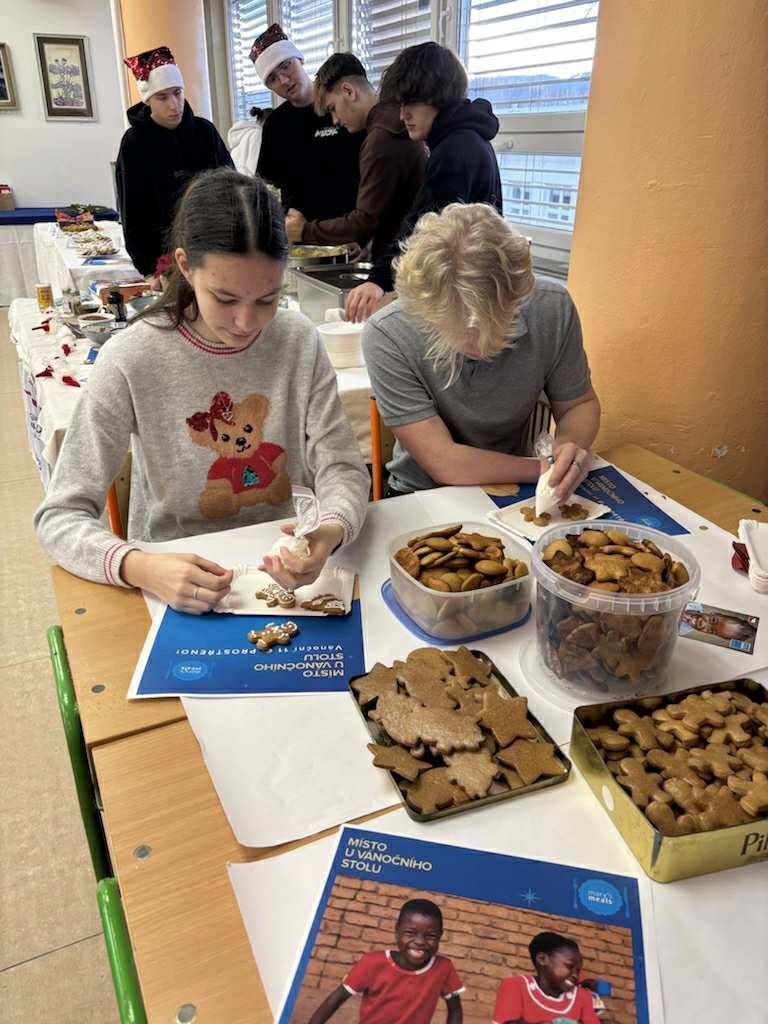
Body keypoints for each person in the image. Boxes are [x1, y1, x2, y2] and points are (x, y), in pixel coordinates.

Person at [35, 169, 369, 612]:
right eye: (225, 299)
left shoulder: (298, 340)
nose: (246, 323)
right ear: (185, 266)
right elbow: (59, 517)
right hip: (172, 568)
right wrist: (139, 566)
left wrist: (328, 532)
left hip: (282, 562)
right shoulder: (132, 357)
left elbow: (343, 468)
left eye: (267, 299)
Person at [362, 204, 600, 500]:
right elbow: (444, 462)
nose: (478, 346)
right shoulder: (387, 333)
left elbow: (579, 405)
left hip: (514, 483)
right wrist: (544, 468)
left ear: (519, 297)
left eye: (497, 326)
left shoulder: (552, 307)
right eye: (458, 331)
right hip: (423, 492)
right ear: (425, 310)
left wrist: (568, 450)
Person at [345, 42, 502, 322]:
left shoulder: (454, 150)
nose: (403, 114)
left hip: (462, 300)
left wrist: (379, 280)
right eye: (401, 104)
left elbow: (427, 232)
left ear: (438, 97)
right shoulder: (469, 139)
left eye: (412, 103)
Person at [285, 53, 426, 261]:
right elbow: (392, 210)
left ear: (348, 91)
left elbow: (364, 221)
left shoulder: (382, 138)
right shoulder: (391, 122)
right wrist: (370, 244)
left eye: (333, 109)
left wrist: (304, 231)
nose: (335, 120)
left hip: (404, 261)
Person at [116, 46, 233, 281]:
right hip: (164, 262)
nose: (174, 104)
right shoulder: (134, 143)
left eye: (177, 93)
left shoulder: (205, 132)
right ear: (148, 100)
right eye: (162, 97)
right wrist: (149, 269)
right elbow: (133, 213)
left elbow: (230, 191)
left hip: (214, 253)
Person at [252, 25, 363, 222]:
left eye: (286, 66)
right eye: (272, 79)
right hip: (299, 232)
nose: (283, 80)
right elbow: (265, 187)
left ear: (301, 59)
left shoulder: (342, 104)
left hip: (350, 225)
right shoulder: (275, 125)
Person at [307, 898, 463, 1024]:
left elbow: (455, 1010)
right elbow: (336, 999)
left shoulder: (444, 968)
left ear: (440, 935)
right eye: (410, 933)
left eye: (430, 936)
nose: (420, 941)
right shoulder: (372, 963)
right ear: (397, 931)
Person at [493, 932, 600, 1024]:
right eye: (569, 966)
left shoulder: (582, 997)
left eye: (578, 971)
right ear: (542, 959)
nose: (575, 975)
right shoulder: (516, 986)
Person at [228, 106, 270, 176]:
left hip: (237, 176)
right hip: (248, 179)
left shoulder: (245, 132)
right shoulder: (257, 134)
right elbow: (253, 164)